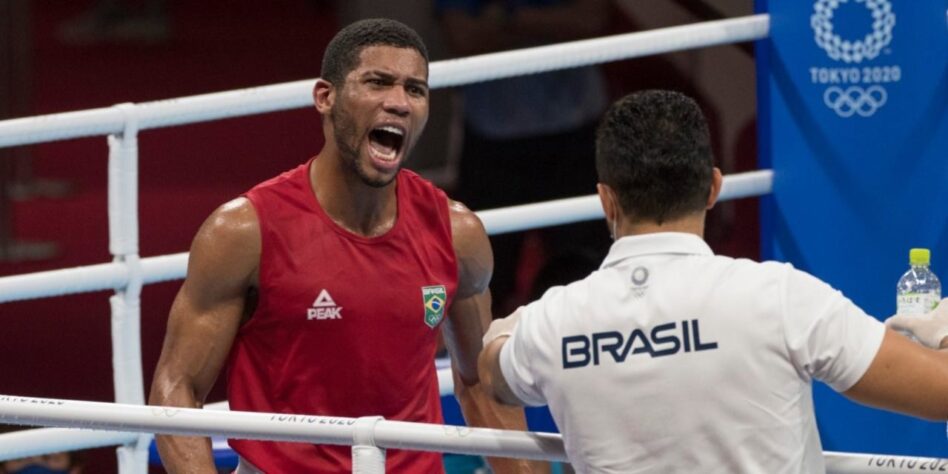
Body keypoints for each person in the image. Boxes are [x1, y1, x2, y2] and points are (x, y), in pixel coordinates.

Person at [477, 89, 948, 473]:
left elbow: (492, 373)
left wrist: (504, 332)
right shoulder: (779, 297)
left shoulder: (552, 324)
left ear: (606, 200)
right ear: (714, 189)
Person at [149, 18, 540, 473]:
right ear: (325, 97)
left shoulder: (457, 233)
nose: (398, 103)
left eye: (415, 89)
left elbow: (479, 383)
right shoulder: (244, 231)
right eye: (377, 82)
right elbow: (177, 386)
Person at [435, 0, 613, 314]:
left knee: (587, 280)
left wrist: (505, 17)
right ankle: (485, 362)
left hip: (576, 136)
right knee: (482, 282)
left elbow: (590, 20)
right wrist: (550, 25)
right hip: (494, 140)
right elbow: (464, 37)